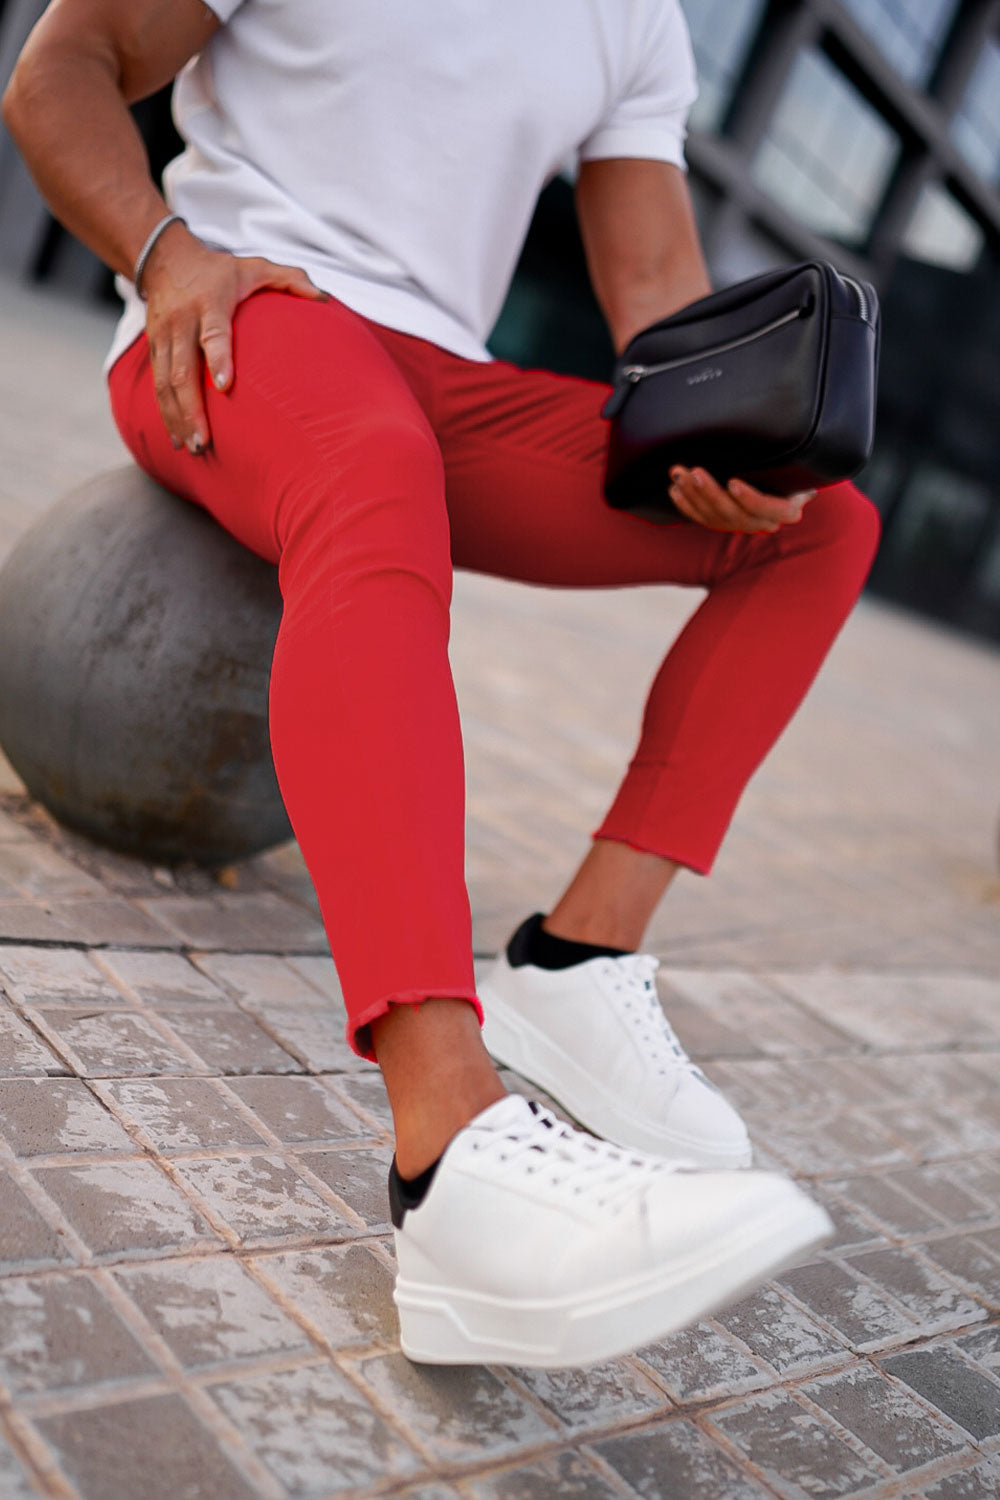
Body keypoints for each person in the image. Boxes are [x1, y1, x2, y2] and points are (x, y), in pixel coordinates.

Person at [4, 0, 877, 1369]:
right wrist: (167, 256)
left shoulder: (639, 21)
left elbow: (656, 283)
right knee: (370, 468)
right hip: (245, 322)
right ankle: (449, 1150)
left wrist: (732, 436)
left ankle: (578, 958)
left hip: (442, 386)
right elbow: (62, 70)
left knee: (818, 526)